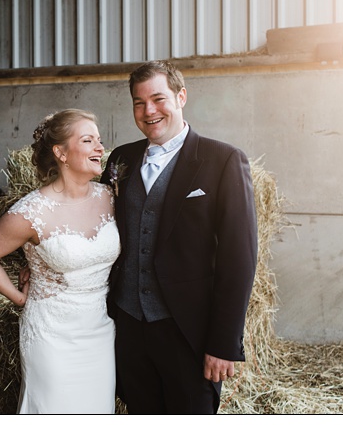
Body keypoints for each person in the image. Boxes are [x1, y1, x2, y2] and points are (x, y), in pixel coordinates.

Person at [102, 60, 258, 414]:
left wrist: (223, 344)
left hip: (188, 333)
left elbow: (240, 259)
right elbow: (93, 226)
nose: (149, 111)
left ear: (181, 96)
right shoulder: (121, 158)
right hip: (128, 327)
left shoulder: (223, 160)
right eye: (139, 103)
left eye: (158, 99)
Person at [0, 108, 119, 413]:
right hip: (51, 335)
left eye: (99, 140)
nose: (100, 148)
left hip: (101, 330)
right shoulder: (31, 211)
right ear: (61, 153)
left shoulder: (112, 197)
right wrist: (19, 298)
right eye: (89, 141)